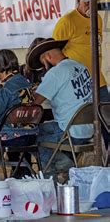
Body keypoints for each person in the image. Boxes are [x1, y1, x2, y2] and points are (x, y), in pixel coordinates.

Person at [27, 38, 94, 174]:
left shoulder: (56, 72)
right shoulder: (81, 66)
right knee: (43, 129)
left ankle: (54, 177)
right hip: (89, 130)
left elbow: (35, 103)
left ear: (48, 57)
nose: (44, 66)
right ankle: (66, 163)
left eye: (43, 62)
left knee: (33, 136)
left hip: (70, 132)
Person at [52, 0, 109, 102]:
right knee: (83, 117)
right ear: (79, 0)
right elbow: (53, 52)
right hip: (78, 83)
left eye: (93, 3)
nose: (90, 6)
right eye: (86, 3)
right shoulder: (67, 21)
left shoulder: (97, 18)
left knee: (106, 114)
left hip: (98, 79)